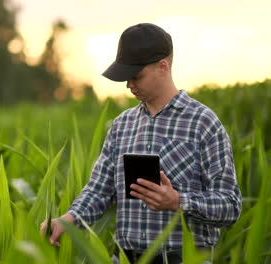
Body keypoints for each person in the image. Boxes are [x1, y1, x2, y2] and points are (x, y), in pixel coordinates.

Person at [40, 23, 242, 264]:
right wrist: (68, 219)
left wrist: (178, 201)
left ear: (163, 67)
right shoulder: (121, 125)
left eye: (136, 76)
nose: (128, 84)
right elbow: (99, 190)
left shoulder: (204, 124)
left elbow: (230, 205)